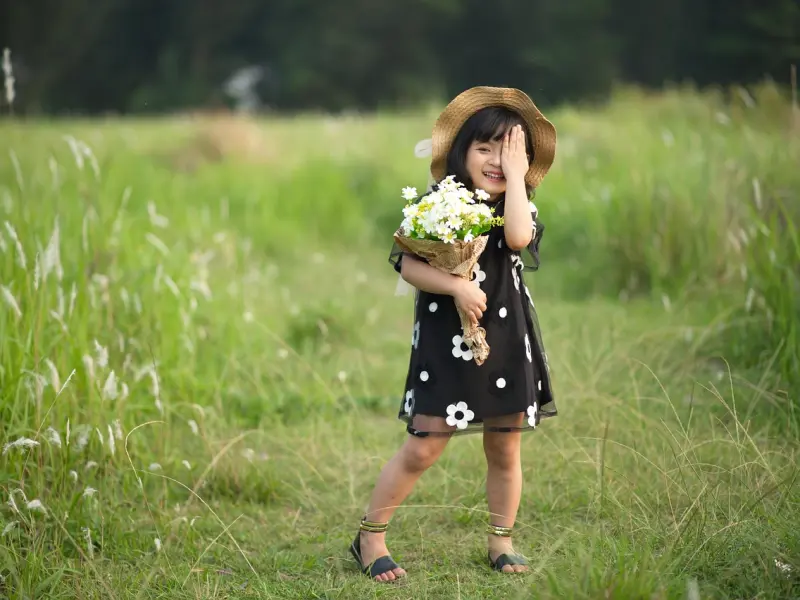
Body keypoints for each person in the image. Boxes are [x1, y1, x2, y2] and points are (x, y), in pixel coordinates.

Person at [350, 86, 559, 582]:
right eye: (484, 148)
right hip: (446, 340)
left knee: (505, 447)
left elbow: (517, 239)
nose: (494, 160)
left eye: (508, 150)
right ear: (461, 150)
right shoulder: (440, 202)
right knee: (425, 443)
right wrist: (455, 288)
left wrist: (515, 179)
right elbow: (407, 264)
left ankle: (500, 540)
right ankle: (370, 536)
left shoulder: (517, 203)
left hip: (506, 338)